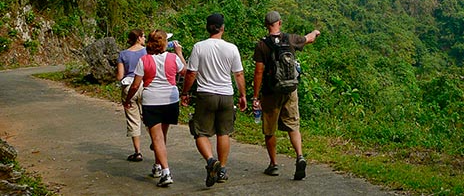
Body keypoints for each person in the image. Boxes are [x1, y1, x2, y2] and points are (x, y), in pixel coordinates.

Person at [181, 13, 247, 187]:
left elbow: (191, 73)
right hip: (226, 95)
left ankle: (211, 161)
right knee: (223, 132)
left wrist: (185, 93)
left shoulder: (199, 47)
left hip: (205, 95)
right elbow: (238, 74)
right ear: (222, 28)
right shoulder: (232, 48)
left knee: (200, 132)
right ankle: (222, 169)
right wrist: (242, 95)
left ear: (207, 27)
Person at [252, 10, 320, 180]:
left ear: (266, 25)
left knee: (270, 130)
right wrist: (315, 32)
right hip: (290, 90)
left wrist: (256, 96)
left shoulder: (262, 45)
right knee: (293, 125)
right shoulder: (290, 39)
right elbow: (309, 39)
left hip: (270, 92)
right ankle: (300, 156)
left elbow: (258, 72)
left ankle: (274, 164)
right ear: (279, 23)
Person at [124, 30, 186, 187]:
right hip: (171, 99)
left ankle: (165, 172)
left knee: (156, 138)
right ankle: (158, 166)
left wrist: (128, 99)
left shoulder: (144, 60)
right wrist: (179, 53)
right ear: (164, 43)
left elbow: (136, 84)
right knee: (162, 136)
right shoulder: (173, 58)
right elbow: (184, 71)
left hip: (152, 100)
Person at [116, 28, 147, 162]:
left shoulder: (123, 54)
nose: (145, 39)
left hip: (129, 87)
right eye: (144, 36)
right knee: (149, 117)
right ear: (139, 38)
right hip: (145, 85)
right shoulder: (147, 52)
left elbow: (119, 76)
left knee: (133, 119)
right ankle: (156, 142)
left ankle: (138, 151)